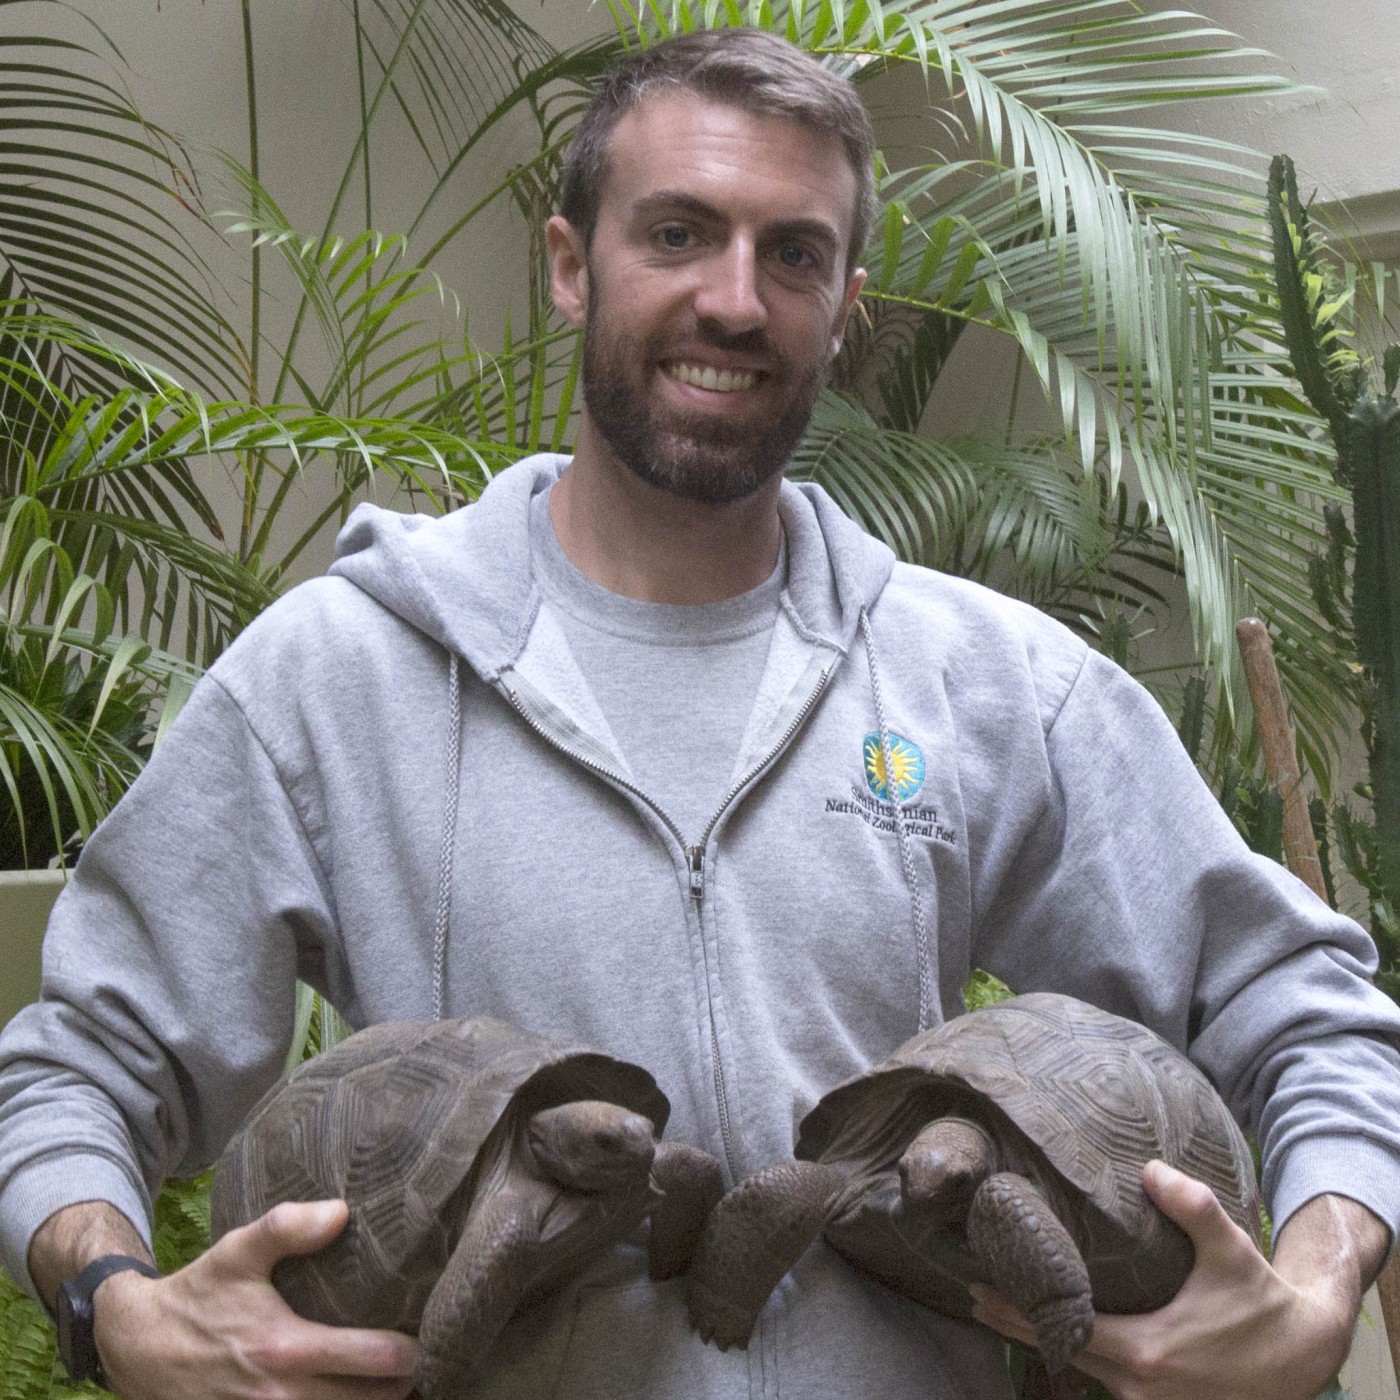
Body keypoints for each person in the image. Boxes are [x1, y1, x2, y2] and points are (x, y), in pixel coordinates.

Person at [1, 27, 1397, 1400]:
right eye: (677, 232)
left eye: (792, 253)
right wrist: (113, 1308)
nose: (735, 300)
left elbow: (1308, 1008)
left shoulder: (981, 678)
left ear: (846, 304)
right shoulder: (336, 676)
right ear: (570, 265)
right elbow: (74, 1073)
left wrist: (1319, 1287)